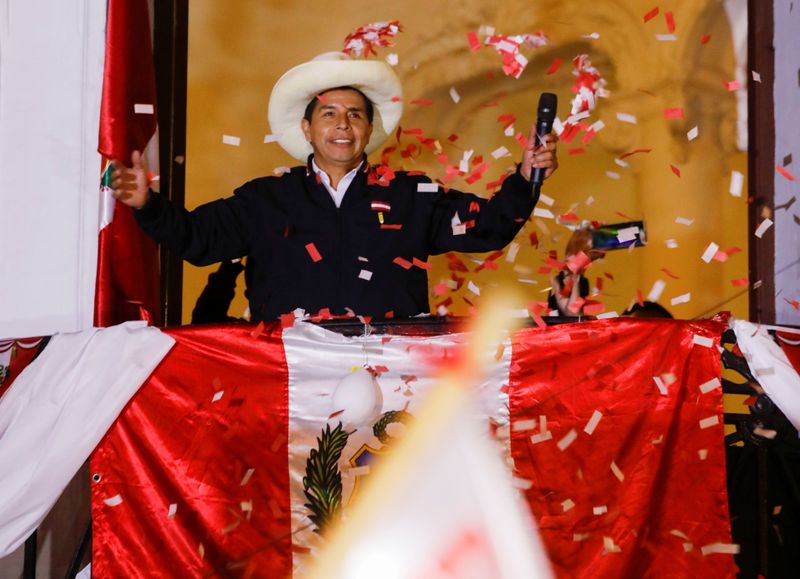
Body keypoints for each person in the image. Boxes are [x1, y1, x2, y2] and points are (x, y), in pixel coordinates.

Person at [112, 52, 559, 322]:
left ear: (368, 130)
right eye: (329, 114)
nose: (342, 125)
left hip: (394, 379)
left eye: (355, 115)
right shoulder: (266, 198)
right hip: (289, 380)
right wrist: (148, 204)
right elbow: (196, 239)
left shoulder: (411, 195)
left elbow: (489, 229)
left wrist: (524, 179)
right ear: (307, 129)